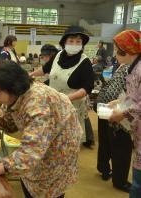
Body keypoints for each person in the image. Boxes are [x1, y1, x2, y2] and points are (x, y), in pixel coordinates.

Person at [0, 60, 82, 198]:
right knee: (30, 179)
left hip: (57, 151)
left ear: (12, 87)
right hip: (42, 148)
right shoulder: (20, 93)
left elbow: (32, 151)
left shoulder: (37, 103)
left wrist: (0, 167)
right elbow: (10, 116)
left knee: (45, 189)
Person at [48, 26, 94, 145]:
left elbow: (86, 88)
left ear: (82, 44)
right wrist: (29, 75)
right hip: (53, 105)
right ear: (64, 42)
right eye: (71, 41)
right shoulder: (58, 55)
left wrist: (66, 98)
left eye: (78, 41)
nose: (74, 44)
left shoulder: (85, 62)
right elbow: (44, 69)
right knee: (51, 139)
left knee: (67, 142)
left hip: (72, 108)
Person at [109, 30, 141, 198]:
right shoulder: (133, 68)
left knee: (137, 184)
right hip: (138, 131)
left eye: (116, 49)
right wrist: (120, 103)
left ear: (126, 50)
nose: (115, 54)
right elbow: (135, 97)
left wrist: (123, 113)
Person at [96, 62, 133, 192]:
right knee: (121, 146)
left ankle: (104, 169)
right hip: (117, 112)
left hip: (108, 108)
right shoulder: (130, 65)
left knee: (106, 142)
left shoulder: (123, 65)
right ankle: (119, 181)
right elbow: (134, 96)